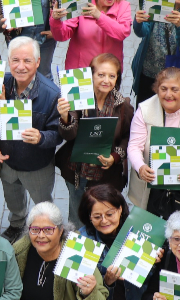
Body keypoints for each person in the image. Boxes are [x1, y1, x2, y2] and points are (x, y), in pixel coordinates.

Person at [0, 36, 62, 240]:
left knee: (43, 205)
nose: (20, 67)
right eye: (15, 60)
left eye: (27, 61)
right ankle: (16, 224)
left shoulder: (52, 94)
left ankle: (47, 231)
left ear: (38, 62)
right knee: (13, 199)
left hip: (37, 165)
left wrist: (41, 137)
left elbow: (58, 135)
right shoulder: (1, 84)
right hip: (8, 161)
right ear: (8, 61)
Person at [56, 54, 132, 227]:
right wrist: (65, 116)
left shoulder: (123, 106)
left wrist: (115, 156)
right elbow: (69, 135)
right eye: (101, 75)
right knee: (76, 217)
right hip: (77, 172)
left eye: (112, 76)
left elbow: (128, 137)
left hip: (106, 175)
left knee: (102, 216)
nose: (106, 80)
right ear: (91, 75)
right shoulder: (78, 98)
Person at [127, 67, 180, 217]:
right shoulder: (144, 110)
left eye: (175, 89)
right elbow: (134, 146)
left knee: (175, 227)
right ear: (156, 89)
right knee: (147, 223)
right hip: (149, 183)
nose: (168, 95)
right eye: (163, 89)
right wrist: (140, 167)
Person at [49, 0, 131, 71]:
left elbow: (122, 33)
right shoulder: (82, 3)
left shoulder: (124, 6)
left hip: (108, 72)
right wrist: (56, 21)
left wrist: (99, 16)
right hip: (79, 71)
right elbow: (61, 36)